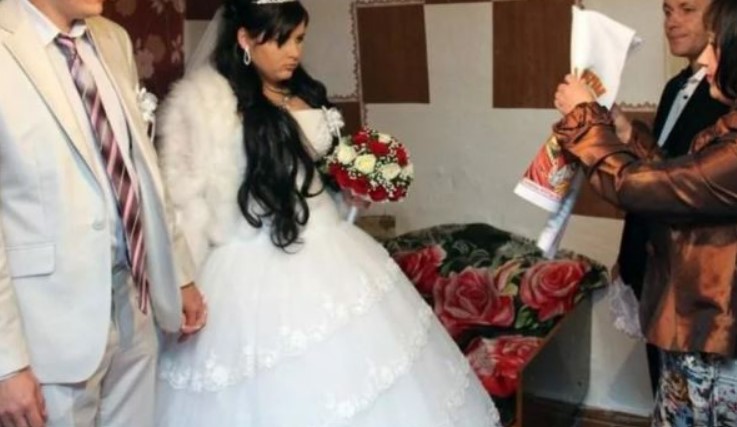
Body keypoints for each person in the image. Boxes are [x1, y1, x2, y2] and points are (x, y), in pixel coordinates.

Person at [154, 0, 501, 426]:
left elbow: (316, 178)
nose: (294, 52)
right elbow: (183, 198)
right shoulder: (210, 105)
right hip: (249, 261)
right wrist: (183, 278)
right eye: (282, 40)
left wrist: (350, 192)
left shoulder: (305, 92)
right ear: (245, 39)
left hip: (328, 245)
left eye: (299, 39)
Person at [0, 0, 206, 426]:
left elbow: (142, 168)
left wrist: (180, 271)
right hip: (48, 327)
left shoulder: (112, 39)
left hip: (134, 302)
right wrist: (6, 361)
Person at [553, 0, 737, 424]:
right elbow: (677, 175)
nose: (706, 60)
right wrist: (625, 133)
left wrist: (583, 119)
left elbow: (638, 186)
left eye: (717, 46)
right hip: (691, 313)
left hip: (712, 326)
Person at [614, 0, 728, 395]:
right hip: (654, 265)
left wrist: (586, 133)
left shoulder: (724, 96)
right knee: (665, 391)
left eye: (687, 9)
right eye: (666, 11)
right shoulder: (675, 86)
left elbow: (671, 188)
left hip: (697, 289)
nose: (672, 21)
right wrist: (628, 133)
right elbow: (663, 169)